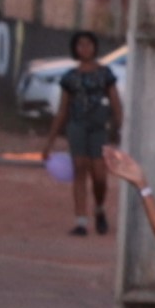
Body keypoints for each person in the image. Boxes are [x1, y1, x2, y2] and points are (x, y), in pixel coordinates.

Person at [52, 35, 121, 239]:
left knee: (100, 175)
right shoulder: (70, 77)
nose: (85, 48)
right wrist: (50, 141)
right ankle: (81, 220)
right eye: (80, 45)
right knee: (80, 168)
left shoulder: (105, 74)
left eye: (89, 44)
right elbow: (62, 109)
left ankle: (99, 207)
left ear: (95, 47)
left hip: (98, 127)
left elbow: (115, 102)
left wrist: (120, 125)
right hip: (77, 126)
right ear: (75, 49)